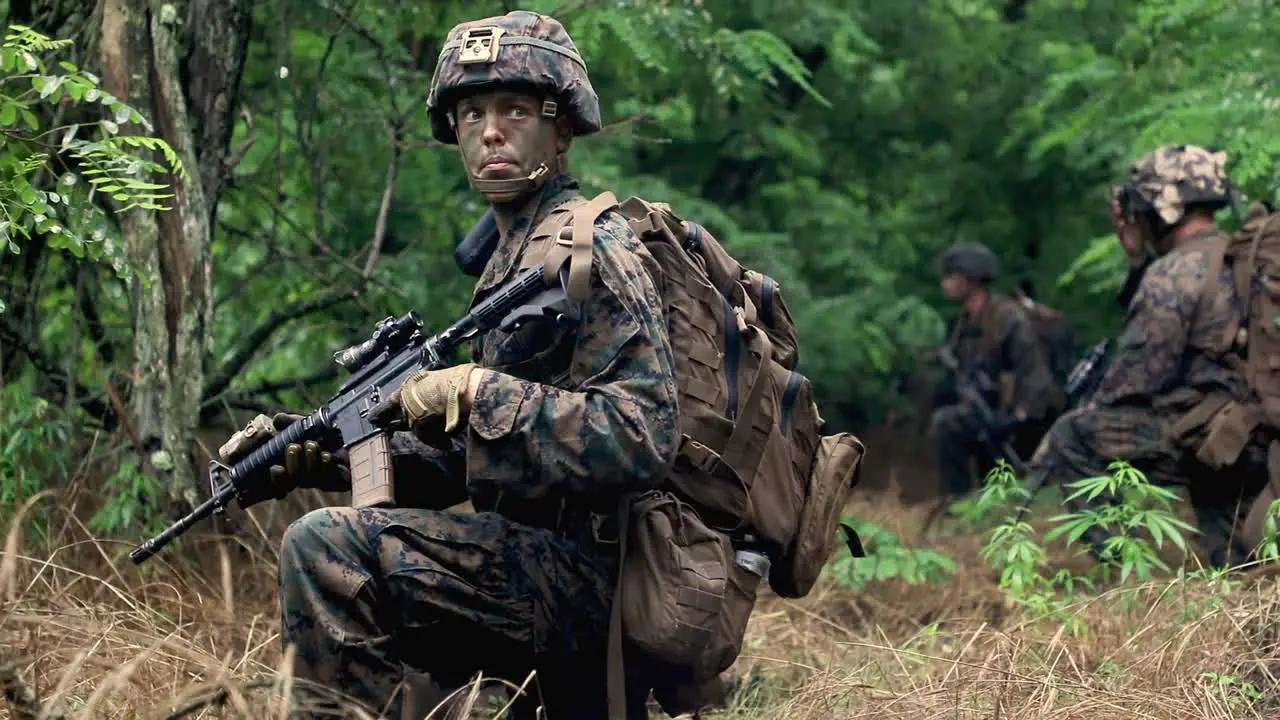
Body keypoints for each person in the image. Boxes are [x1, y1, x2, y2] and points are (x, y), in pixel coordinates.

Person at [217, 11, 680, 718]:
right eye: (471, 114)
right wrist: (320, 456)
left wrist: (475, 388)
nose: (489, 130)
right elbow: (475, 461)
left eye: (514, 110)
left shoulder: (597, 248)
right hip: (529, 561)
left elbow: (646, 434)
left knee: (327, 547)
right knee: (341, 528)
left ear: (559, 130)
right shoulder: (509, 258)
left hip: (597, 577)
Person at [1028, 144, 1269, 568]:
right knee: (1236, 564)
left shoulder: (1174, 272)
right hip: (1254, 431)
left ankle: (1122, 574)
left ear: (1164, 207)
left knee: (1074, 435)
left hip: (1218, 437)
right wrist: (1139, 259)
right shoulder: (1240, 256)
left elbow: (1132, 384)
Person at [929, 242, 1060, 498]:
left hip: (1021, 419)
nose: (944, 283)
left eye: (950, 275)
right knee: (950, 420)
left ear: (969, 279)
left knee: (946, 424)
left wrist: (1017, 417)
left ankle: (960, 502)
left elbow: (1036, 376)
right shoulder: (963, 324)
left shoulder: (1007, 317)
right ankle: (961, 502)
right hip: (986, 412)